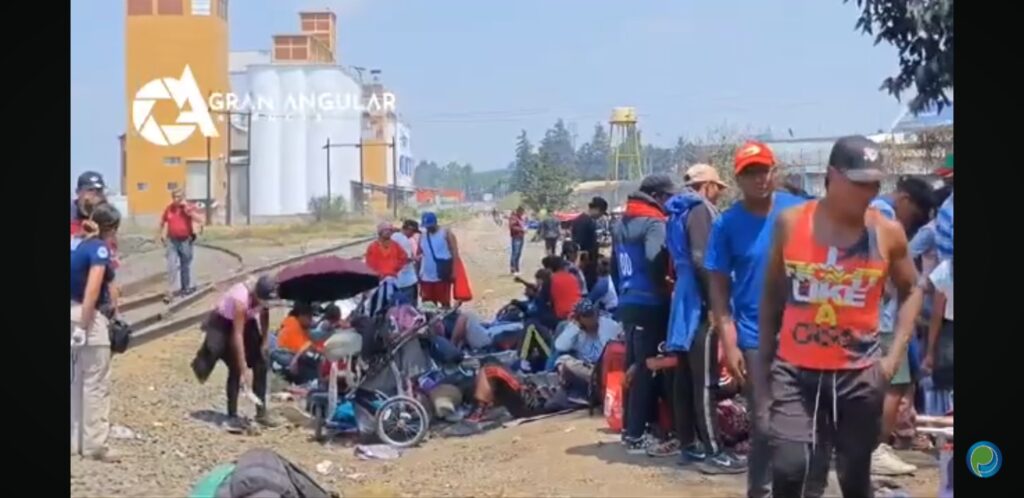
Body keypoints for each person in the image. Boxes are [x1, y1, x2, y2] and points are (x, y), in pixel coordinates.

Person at [759, 136, 923, 497]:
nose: (869, 191)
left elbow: (913, 289)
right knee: (790, 468)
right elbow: (772, 295)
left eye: (875, 184)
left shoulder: (886, 233)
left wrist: (893, 357)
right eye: (859, 182)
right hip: (796, 371)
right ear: (832, 176)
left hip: (858, 376)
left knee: (854, 476)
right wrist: (764, 362)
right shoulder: (790, 224)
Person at [703, 142, 809, 495]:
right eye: (751, 173)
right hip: (754, 336)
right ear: (738, 179)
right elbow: (718, 289)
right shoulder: (727, 225)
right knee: (764, 422)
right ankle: (760, 490)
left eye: (765, 170)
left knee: (802, 422)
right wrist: (727, 340)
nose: (760, 178)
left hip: (805, 334)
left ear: (774, 172)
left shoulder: (801, 212)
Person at [654, 164, 745, 472]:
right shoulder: (700, 210)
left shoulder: (676, 210)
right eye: (717, 188)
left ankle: (689, 446)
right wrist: (713, 302)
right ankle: (714, 450)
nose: (718, 194)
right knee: (703, 379)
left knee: (683, 376)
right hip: (698, 297)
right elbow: (701, 258)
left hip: (683, 294)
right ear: (706, 186)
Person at [869, 176, 934, 476]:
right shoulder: (884, 217)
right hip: (881, 320)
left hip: (873, 317)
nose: (913, 223)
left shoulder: (868, 211)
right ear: (904, 200)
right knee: (893, 385)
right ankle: (877, 449)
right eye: (916, 214)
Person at [611, 174, 675, 454]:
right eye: (669, 197)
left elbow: (614, 267)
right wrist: (665, 288)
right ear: (659, 196)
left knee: (634, 365)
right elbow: (654, 261)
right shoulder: (654, 223)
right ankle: (637, 434)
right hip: (651, 303)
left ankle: (630, 428)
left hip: (628, 302)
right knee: (649, 367)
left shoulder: (621, 222)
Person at [70, 202, 122, 462]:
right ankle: (94, 446)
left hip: (71, 312)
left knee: (76, 381)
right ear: (111, 228)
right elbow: (92, 288)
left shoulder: (80, 244)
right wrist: (84, 325)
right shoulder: (100, 249)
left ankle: (75, 441)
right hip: (88, 318)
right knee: (96, 383)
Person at [195, 275, 279, 431]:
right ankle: (232, 414)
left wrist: (265, 340)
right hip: (224, 323)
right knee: (235, 367)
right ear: (256, 296)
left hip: (248, 321)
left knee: (261, 362)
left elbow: (264, 314)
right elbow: (237, 335)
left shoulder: (265, 293)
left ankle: (261, 412)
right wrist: (244, 367)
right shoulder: (241, 300)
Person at [553, 299, 622, 393]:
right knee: (563, 360)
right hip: (588, 369)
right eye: (586, 316)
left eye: (592, 314)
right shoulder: (575, 330)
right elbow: (560, 346)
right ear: (579, 318)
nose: (590, 319)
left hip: (607, 367)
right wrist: (575, 327)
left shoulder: (608, 324)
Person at [159, 188, 204, 300]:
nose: (176, 199)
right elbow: (163, 221)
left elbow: (200, 220)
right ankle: (170, 290)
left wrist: (188, 210)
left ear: (183, 197)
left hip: (185, 240)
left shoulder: (188, 207)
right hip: (172, 241)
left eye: (178, 197)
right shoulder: (169, 209)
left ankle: (185, 288)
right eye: (174, 197)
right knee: (171, 265)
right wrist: (161, 234)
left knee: (185, 265)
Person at [419, 212, 460, 308]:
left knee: (444, 302)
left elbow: (455, 252)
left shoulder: (446, 233)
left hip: (442, 274)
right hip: (426, 276)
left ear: (435, 223)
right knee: (428, 305)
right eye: (426, 226)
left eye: (430, 226)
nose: (428, 228)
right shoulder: (423, 236)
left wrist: (454, 271)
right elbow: (420, 254)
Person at [572, 197, 609, 289]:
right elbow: (579, 245)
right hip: (586, 265)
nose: (600, 216)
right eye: (601, 213)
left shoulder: (581, 220)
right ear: (596, 209)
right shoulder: (586, 222)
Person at [391, 219, 421, 305]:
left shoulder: (394, 237)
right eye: (413, 232)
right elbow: (405, 259)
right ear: (409, 229)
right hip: (407, 280)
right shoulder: (404, 241)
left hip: (396, 280)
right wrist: (415, 258)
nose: (413, 235)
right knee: (409, 308)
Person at [546, 255, 583, 324]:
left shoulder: (551, 280)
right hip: (578, 312)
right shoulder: (573, 277)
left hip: (563, 316)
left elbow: (545, 299)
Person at [508, 206, 527, 275]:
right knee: (515, 253)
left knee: (519, 253)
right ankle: (513, 269)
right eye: (522, 212)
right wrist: (521, 229)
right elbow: (512, 227)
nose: (523, 213)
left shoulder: (521, 218)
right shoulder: (513, 218)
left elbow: (523, 225)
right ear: (519, 211)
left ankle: (517, 268)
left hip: (521, 236)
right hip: (516, 237)